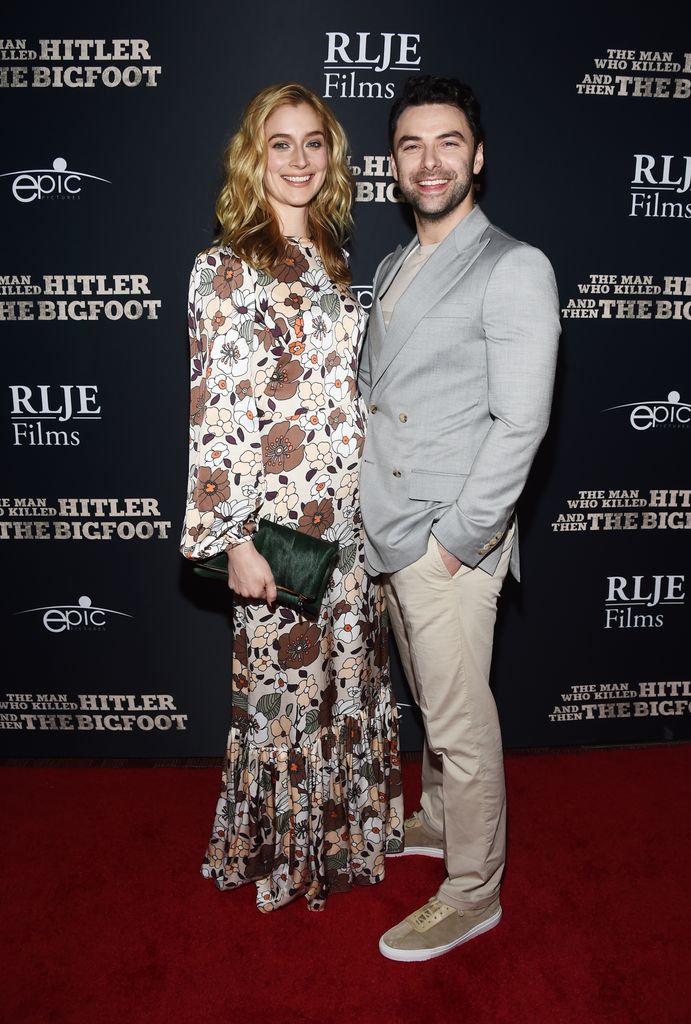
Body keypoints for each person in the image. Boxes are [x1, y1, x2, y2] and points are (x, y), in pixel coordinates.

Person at [182, 83, 404, 913]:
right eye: (282, 143)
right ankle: (284, 851)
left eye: (315, 143)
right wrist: (233, 538)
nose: (300, 159)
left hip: (349, 523)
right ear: (254, 154)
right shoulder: (223, 268)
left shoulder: (330, 261)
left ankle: (341, 840)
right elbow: (215, 409)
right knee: (285, 698)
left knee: (347, 687)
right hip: (277, 529)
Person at [358, 75, 560, 960]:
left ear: (476, 158)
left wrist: (454, 545)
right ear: (393, 166)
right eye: (411, 145)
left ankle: (475, 891)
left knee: (460, 725)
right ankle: (440, 823)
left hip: (445, 540)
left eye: (447, 143)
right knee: (435, 713)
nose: (429, 160)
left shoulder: (514, 266)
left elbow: (522, 423)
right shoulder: (395, 263)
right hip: (390, 527)